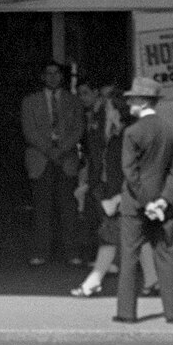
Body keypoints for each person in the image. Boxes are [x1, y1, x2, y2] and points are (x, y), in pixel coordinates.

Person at [110, 75, 173, 326]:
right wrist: (163, 201)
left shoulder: (132, 132)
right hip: (165, 206)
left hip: (135, 205)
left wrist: (147, 202)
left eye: (132, 99)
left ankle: (127, 313)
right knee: (167, 256)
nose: (129, 103)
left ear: (143, 102)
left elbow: (130, 173)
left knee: (130, 256)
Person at [20, 61, 85, 266]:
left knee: (68, 208)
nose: (52, 77)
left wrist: (63, 149)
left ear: (62, 76)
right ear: (42, 77)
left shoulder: (73, 100)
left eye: (56, 73)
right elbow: (28, 130)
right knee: (42, 208)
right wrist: (49, 150)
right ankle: (40, 252)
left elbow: (79, 128)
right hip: (40, 159)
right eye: (48, 73)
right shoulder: (30, 101)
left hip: (66, 159)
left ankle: (72, 252)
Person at [72, 83, 124, 299]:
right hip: (109, 183)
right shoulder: (99, 119)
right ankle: (152, 279)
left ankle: (93, 281)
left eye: (109, 99)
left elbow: (109, 157)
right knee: (136, 233)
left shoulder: (117, 126)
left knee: (110, 232)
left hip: (117, 184)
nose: (106, 104)